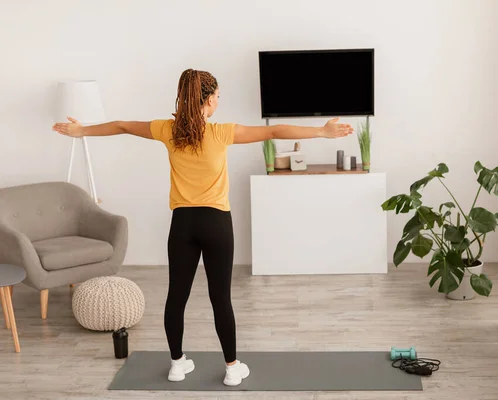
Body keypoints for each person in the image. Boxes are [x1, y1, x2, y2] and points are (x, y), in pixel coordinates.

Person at [52, 69, 353, 386]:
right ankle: (232, 368)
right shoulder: (222, 133)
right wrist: (321, 131)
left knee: (176, 297)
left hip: (182, 224)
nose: (219, 101)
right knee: (220, 298)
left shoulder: (168, 130)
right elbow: (274, 131)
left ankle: (177, 364)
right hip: (216, 223)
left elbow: (123, 126)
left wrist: (82, 130)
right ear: (209, 100)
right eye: (218, 96)